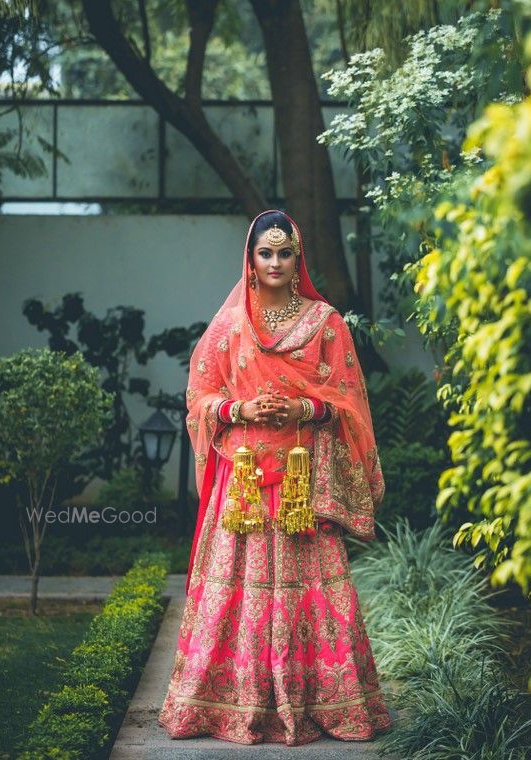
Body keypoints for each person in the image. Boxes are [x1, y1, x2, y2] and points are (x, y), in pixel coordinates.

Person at [158, 209, 392, 746]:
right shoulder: (230, 325)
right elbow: (199, 399)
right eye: (266, 253)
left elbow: (350, 403)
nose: (276, 262)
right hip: (241, 484)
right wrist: (240, 412)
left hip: (300, 481)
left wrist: (301, 412)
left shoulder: (324, 323)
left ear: (298, 258)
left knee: (307, 591)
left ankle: (325, 703)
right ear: (251, 258)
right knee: (235, 591)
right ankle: (225, 705)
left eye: (285, 253)